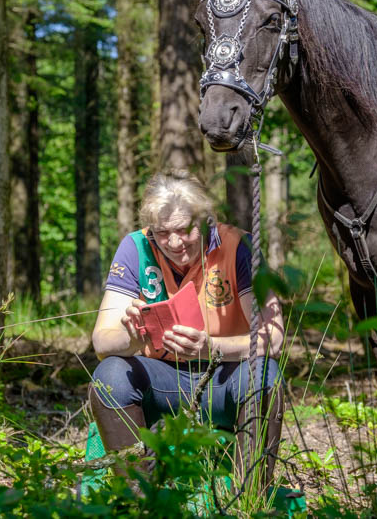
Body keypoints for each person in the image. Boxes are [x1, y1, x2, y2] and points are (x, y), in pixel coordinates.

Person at [90, 170, 284, 487]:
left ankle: (248, 498)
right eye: (163, 233)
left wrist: (214, 348)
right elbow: (102, 340)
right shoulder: (135, 247)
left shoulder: (239, 246)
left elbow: (273, 339)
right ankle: (141, 498)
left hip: (226, 379)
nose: (176, 243)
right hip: (162, 379)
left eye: (184, 230)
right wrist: (132, 338)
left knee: (265, 375)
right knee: (110, 375)